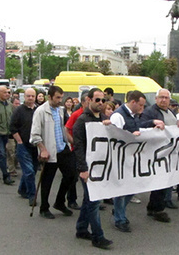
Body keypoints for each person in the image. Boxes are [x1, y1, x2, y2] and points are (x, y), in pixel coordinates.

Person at [73, 88, 113, 249]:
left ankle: (81, 229)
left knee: (88, 200)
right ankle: (98, 236)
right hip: (87, 167)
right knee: (94, 201)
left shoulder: (103, 118)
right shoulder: (82, 121)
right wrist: (83, 168)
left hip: (100, 167)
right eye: (97, 100)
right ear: (89, 100)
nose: (100, 103)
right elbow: (78, 145)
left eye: (103, 100)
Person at [30, 85, 75, 219]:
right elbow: (35, 134)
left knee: (72, 175)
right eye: (57, 98)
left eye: (61, 97)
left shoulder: (60, 110)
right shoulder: (40, 111)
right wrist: (42, 149)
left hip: (62, 147)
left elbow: (62, 128)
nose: (60, 100)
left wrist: (70, 141)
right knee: (47, 181)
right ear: (49, 97)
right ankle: (44, 208)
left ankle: (60, 202)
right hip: (49, 150)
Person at [140, 88, 179, 223]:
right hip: (156, 153)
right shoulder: (149, 112)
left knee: (164, 182)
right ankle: (158, 209)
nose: (164, 100)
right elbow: (140, 125)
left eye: (166, 98)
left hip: (168, 153)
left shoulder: (170, 112)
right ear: (156, 99)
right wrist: (153, 123)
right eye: (161, 97)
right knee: (160, 182)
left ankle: (153, 207)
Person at [110, 90, 147, 231]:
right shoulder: (119, 116)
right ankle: (120, 219)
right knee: (122, 189)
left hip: (131, 157)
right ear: (133, 102)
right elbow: (115, 137)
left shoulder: (132, 115)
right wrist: (132, 135)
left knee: (133, 187)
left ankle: (118, 211)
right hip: (121, 158)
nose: (141, 109)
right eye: (140, 105)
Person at [10, 88, 38, 206]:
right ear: (24, 97)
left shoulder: (38, 110)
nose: (30, 98)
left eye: (32, 96)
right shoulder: (19, 111)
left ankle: (22, 189)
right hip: (23, 146)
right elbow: (12, 127)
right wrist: (19, 141)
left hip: (36, 146)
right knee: (29, 171)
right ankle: (32, 195)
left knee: (32, 171)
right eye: (28, 96)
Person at [64, 94, 89, 211]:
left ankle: (89, 200)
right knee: (74, 176)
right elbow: (66, 129)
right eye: (88, 101)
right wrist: (73, 142)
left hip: (89, 150)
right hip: (77, 150)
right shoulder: (76, 114)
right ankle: (71, 200)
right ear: (83, 102)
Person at [7, 97, 20, 177]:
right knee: (11, 152)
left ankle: (15, 164)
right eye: (16, 103)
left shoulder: (20, 111)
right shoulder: (9, 112)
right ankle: (11, 169)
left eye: (19, 103)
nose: (18, 105)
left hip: (19, 135)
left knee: (17, 153)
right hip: (10, 135)